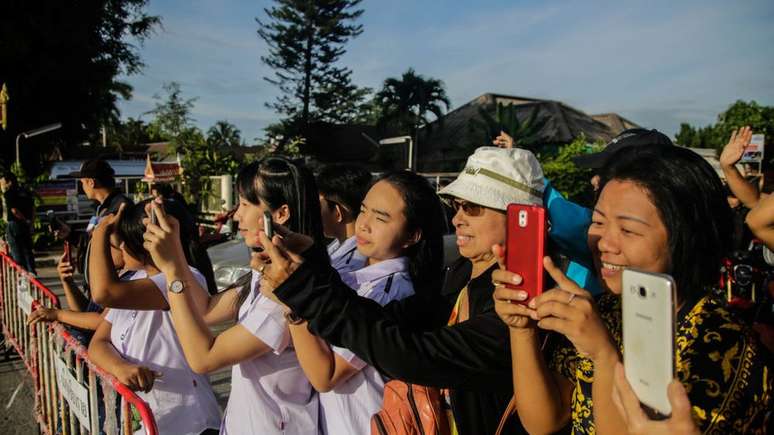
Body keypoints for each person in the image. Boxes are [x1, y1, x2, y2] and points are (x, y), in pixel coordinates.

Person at [255, 147, 551, 435]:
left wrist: (303, 287)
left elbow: (409, 353)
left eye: (472, 207)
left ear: (522, 219)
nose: (458, 219)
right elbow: (384, 322)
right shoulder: (461, 273)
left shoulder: (519, 297)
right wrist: (312, 267)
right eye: (456, 206)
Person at [492, 145, 773, 434]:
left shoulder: (717, 340)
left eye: (628, 230)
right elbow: (544, 421)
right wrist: (522, 327)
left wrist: (605, 357)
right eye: (598, 221)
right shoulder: (603, 312)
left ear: (686, 238)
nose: (604, 243)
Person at [143, 157, 324, 434]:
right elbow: (206, 309)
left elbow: (203, 358)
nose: (236, 214)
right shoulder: (267, 274)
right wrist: (175, 251)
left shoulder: (284, 294)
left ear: (280, 214)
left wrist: (171, 271)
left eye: (246, 204)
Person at [291, 171, 445, 435]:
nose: (364, 224)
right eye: (364, 211)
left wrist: (293, 300)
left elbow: (325, 375)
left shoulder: (391, 292)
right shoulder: (352, 271)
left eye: (381, 218)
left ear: (412, 236)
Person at [87, 201, 221, 435]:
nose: (118, 247)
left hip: (189, 423)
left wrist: (100, 232)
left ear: (143, 245)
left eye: (121, 241)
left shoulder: (183, 279)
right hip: (151, 420)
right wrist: (120, 367)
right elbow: (98, 343)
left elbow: (102, 292)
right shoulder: (134, 282)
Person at [316, 163, 372, 273]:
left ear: (337, 213)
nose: (314, 213)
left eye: (317, 206)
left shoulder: (349, 267)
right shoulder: (338, 243)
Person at [1, 172, 36, 273]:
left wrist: (23, 219)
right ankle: (32, 272)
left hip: (14, 224)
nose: (2, 186)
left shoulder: (8, 193)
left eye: (3, 183)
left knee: (17, 251)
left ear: (9, 182)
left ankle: (22, 274)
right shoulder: (26, 192)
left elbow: (14, 210)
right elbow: (33, 209)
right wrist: (30, 222)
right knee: (27, 249)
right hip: (26, 225)